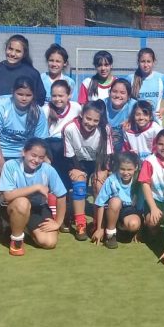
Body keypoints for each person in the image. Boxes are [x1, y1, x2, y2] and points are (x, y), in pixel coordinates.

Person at [0, 138, 67, 256]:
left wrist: (58, 222)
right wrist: (36, 187)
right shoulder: (10, 166)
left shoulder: (48, 170)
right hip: (12, 207)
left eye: (41, 157)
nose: (36, 160)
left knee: (49, 243)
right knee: (22, 203)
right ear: (24, 152)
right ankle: (16, 240)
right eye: (33, 155)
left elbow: (62, 195)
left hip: (37, 207)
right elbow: (8, 196)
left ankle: (24, 228)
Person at [62, 101, 112, 241]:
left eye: (95, 120)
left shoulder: (105, 129)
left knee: (98, 184)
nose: (91, 123)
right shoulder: (69, 128)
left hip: (97, 162)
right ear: (81, 115)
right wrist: (76, 169)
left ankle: (98, 223)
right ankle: (80, 224)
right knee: (79, 185)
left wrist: (104, 170)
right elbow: (69, 154)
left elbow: (107, 153)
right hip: (77, 162)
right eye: (88, 118)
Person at [0, 76, 49, 165]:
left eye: (28, 95)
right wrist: (1, 163)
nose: (24, 98)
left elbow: (40, 141)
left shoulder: (38, 112)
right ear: (13, 92)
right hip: (2, 152)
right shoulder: (1, 108)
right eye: (20, 94)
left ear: (33, 95)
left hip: (26, 154)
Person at [92, 152, 143, 249]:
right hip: (112, 210)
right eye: (122, 169)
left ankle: (121, 229)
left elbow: (140, 207)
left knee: (134, 224)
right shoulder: (112, 180)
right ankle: (110, 234)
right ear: (117, 167)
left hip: (129, 210)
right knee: (115, 201)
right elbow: (100, 204)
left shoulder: (138, 182)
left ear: (136, 167)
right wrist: (99, 228)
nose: (125, 172)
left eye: (129, 169)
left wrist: (140, 230)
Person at [42, 80, 81, 204]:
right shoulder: (45, 110)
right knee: (52, 178)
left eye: (61, 95)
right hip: (50, 147)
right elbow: (41, 135)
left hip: (68, 146)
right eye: (54, 96)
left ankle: (66, 205)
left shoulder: (76, 107)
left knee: (67, 179)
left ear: (69, 95)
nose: (57, 99)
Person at [0, 34, 46, 106]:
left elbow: (40, 99)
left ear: (24, 53)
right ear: (5, 48)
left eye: (18, 51)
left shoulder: (32, 74)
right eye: (10, 49)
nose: (13, 54)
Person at [126, 48, 164, 121]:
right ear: (138, 62)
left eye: (149, 61)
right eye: (143, 61)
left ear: (154, 62)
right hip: (136, 122)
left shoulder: (161, 78)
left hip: (154, 122)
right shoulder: (131, 79)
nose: (146, 65)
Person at [104, 79, 137, 152]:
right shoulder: (103, 104)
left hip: (127, 148)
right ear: (109, 93)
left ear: (128, 96)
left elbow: (149, 121)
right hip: (106, 148)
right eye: (114, 91)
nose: (118, 95)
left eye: (122, 93)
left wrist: (132, 121)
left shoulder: (134, 106)